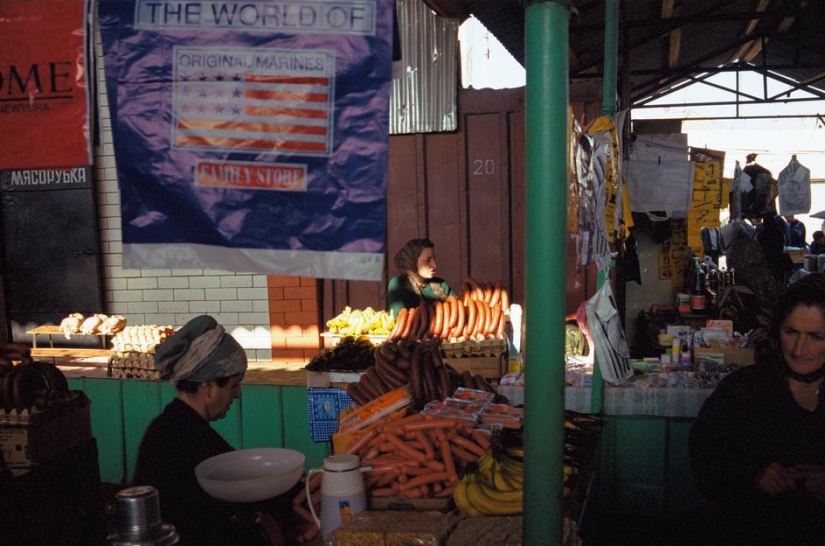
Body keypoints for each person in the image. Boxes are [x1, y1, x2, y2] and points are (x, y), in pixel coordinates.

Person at [689, 275, 825, 546]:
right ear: (777, 331)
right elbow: (705, 457)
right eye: (791, 333)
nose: (799, 349)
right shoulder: (743, 390)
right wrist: (753, 476)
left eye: (816, 337)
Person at [133, 315, 292, 546]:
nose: (238, 395)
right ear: (207, 386)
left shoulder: (176, 423)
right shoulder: (184, 436)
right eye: (233, 386)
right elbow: (231, 499)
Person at [386, 238, 456, 317]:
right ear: (413, 261)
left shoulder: (442, 284)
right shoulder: (399, 284)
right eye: (428, 260)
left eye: (434, 259)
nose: (434, 265)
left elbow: (458, 310)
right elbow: (400, 318)